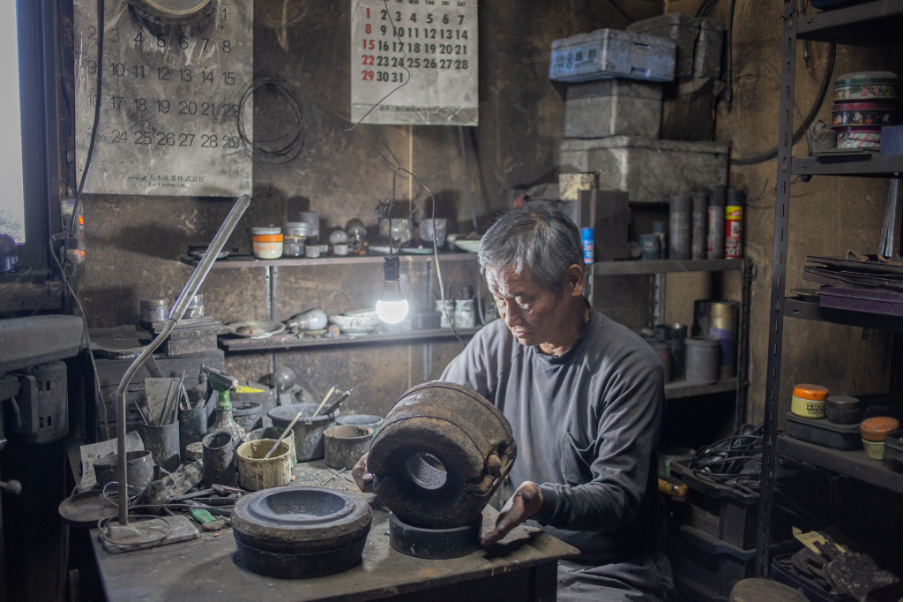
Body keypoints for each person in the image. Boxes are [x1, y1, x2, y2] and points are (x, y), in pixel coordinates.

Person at [354, 202, 674, 601]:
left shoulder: (629, 367)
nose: (509, 317)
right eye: (499, 299)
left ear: (574, 280)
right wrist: (388, 455)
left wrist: (541, 499)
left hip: (604, 568)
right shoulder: (495, 344)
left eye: (524, 298)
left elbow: (618, 495)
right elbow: (434, 413)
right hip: (516, 546)